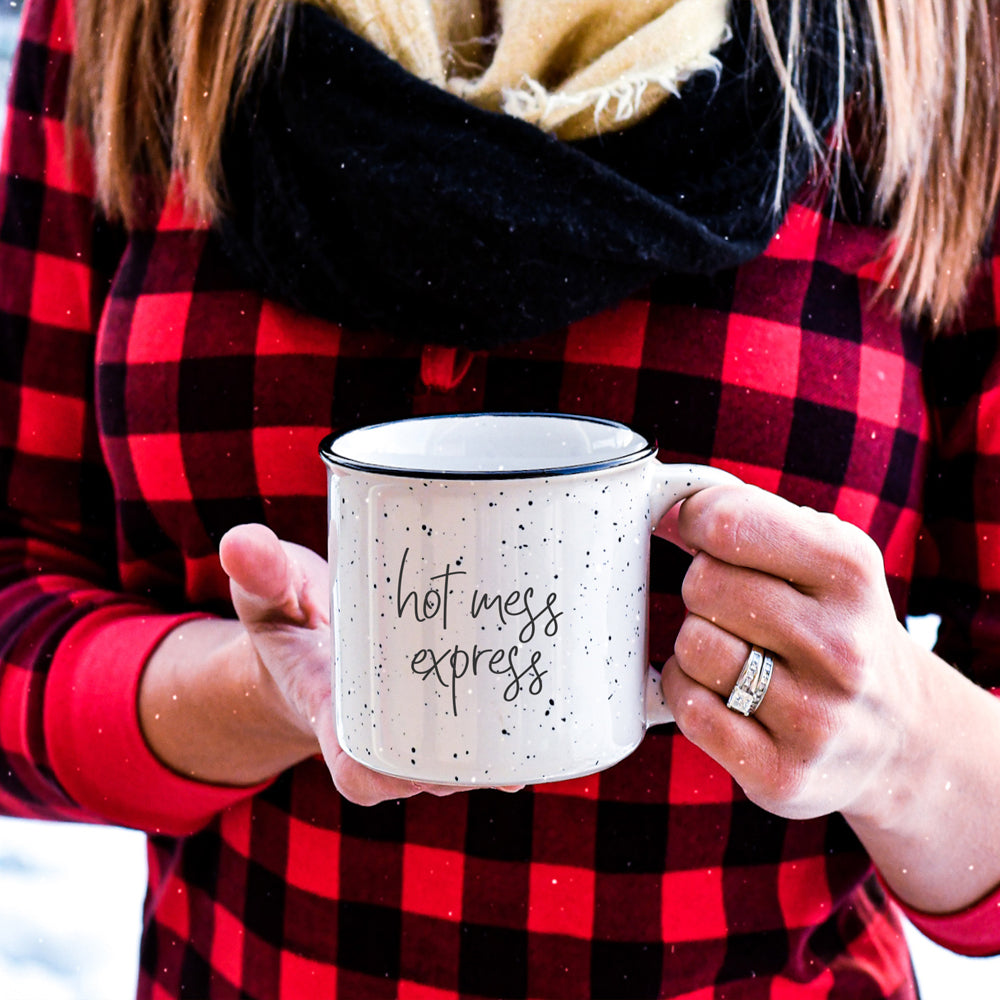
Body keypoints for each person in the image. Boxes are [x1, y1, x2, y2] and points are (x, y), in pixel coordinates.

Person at [1, 0, 999, 996]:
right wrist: (253, 693)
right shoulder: (129, 22)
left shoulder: (938, 32)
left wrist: (897, 738)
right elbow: (17, 600)